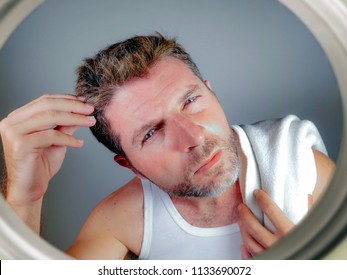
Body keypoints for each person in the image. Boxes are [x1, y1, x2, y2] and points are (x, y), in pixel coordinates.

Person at [0, 33, 335, 260]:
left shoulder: (300, 164)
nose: (194, 137)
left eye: (191, 101)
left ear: (211, 92)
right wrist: (24, 198)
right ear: (130, 165)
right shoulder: (123, 222)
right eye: (151, 133)